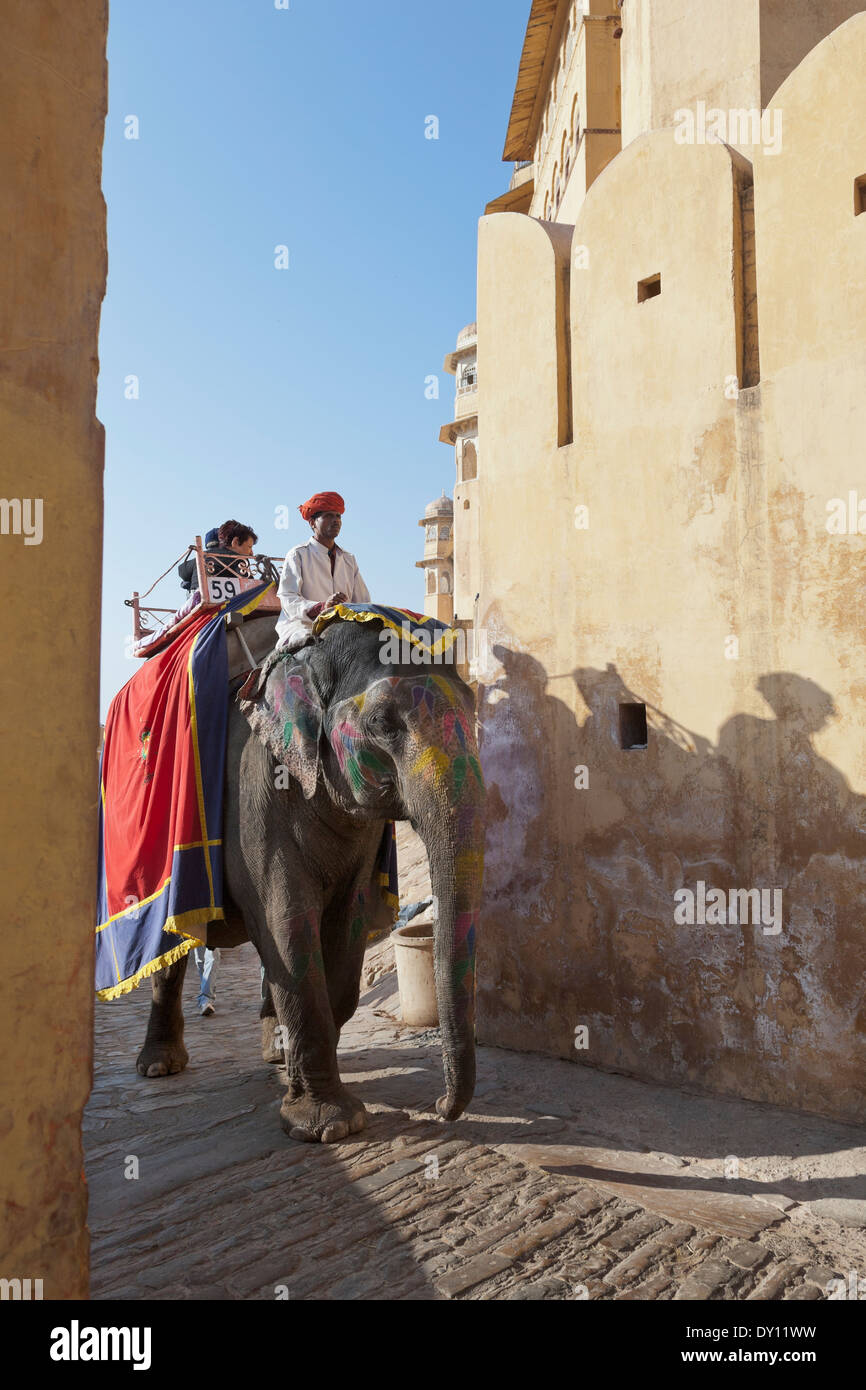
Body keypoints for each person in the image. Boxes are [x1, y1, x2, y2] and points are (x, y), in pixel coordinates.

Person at [275, 491, 370, 650]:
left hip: (341, 628)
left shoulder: (349, 559)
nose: (336, 521)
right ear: (312, 522)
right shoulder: (298, 554)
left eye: (338, 516)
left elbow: (363, 602)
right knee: (311, 649)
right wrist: (321, 607)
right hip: (303, 626)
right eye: (328, 516)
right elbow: (288, 598)